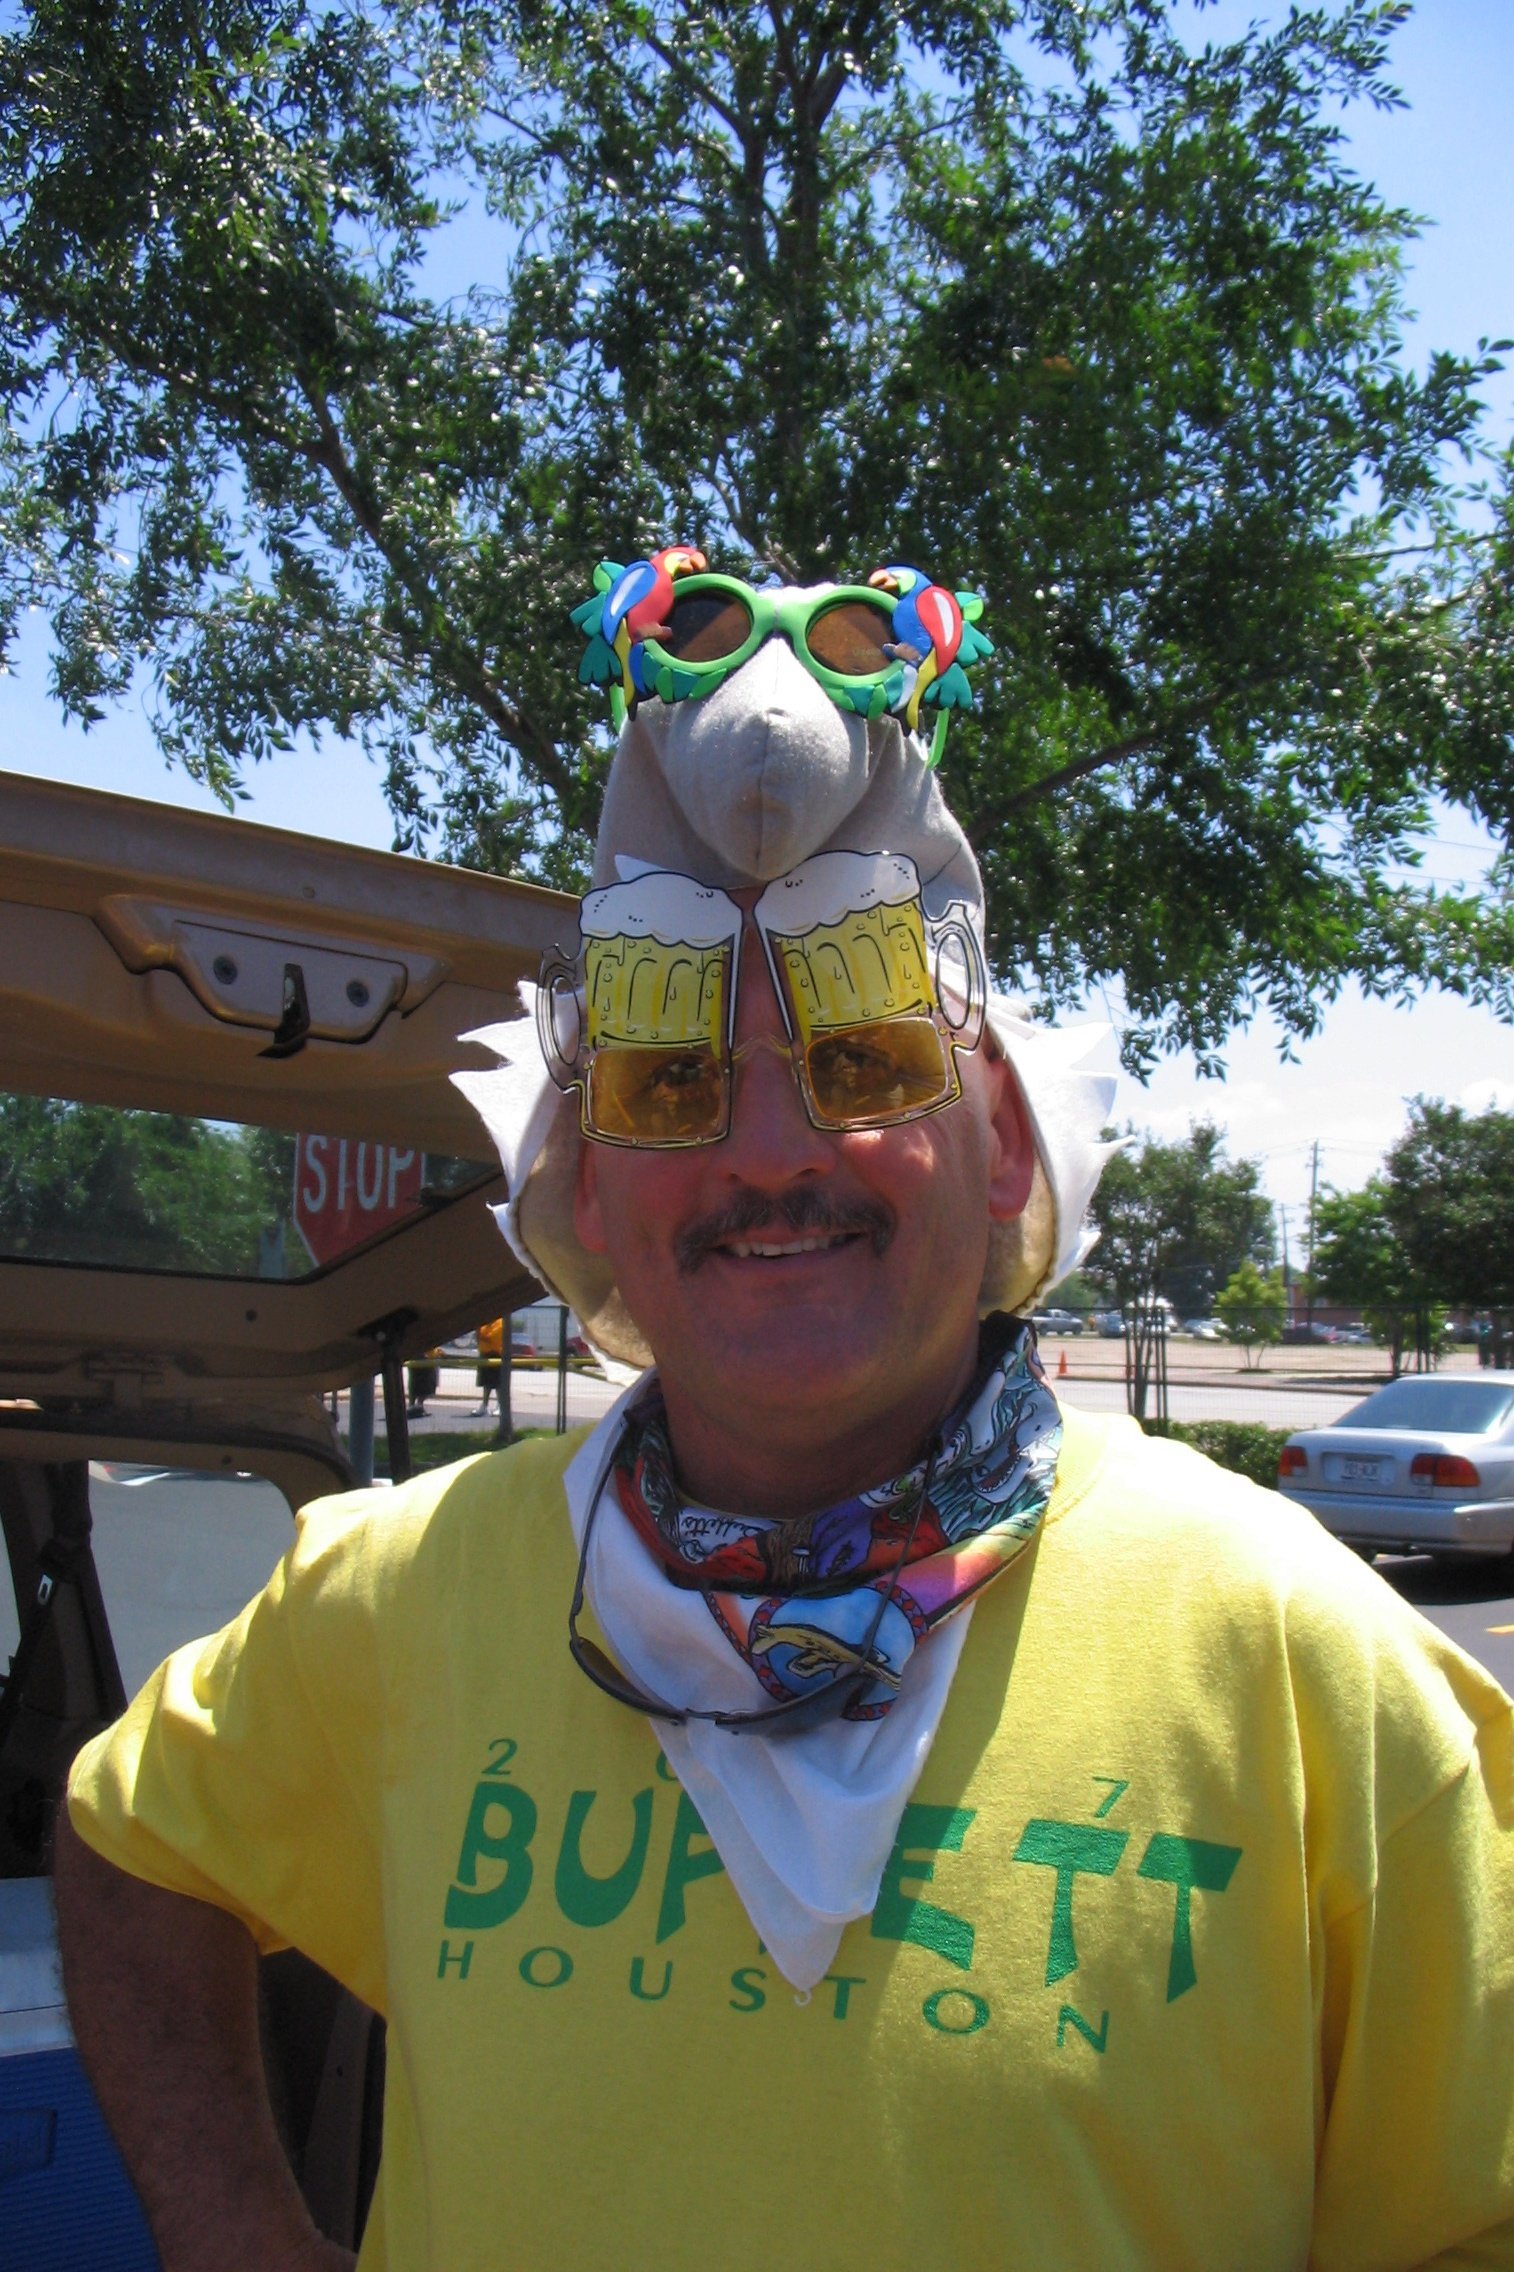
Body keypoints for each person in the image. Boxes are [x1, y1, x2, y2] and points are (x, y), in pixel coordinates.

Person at [56, 552, 1514, 2272]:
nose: (764, 1154)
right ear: (587, 1185)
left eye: (866, 1062)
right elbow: (127, 1851)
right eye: (670, 1080)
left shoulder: (1296, 1653)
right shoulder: (384, 1594)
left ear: (1005, 1143)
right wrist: (236, 2233)